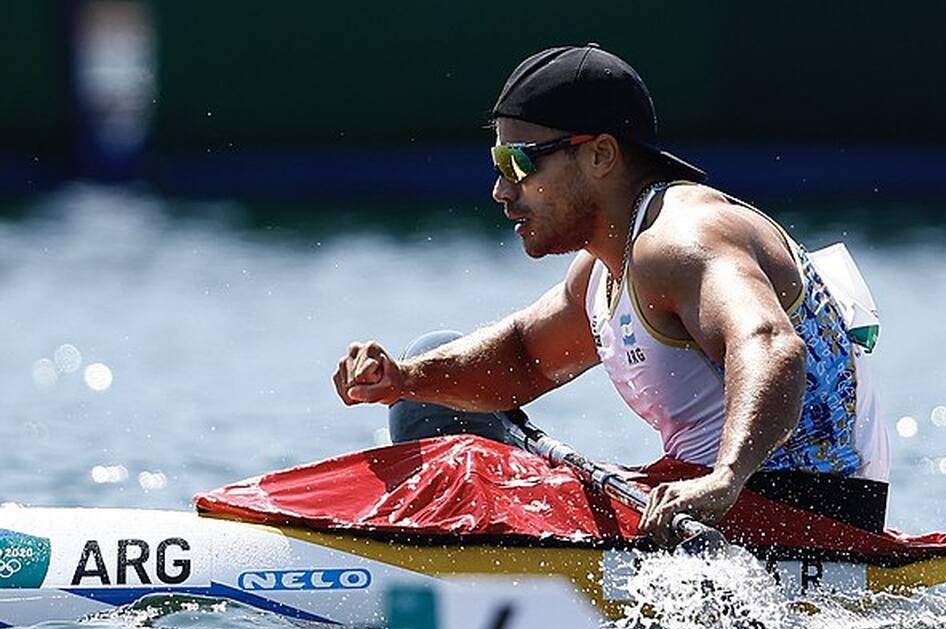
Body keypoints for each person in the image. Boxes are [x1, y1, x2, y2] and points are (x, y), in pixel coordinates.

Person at [333, 44, 889, 546]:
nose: (502, 190)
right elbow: (523, 358)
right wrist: (404, 379)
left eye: (520, 162)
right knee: (430, 389)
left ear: (600, 155)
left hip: (798, 515)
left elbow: (769, 344)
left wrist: (725, 478)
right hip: (708, 503)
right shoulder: (603, 270)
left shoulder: (680, 238)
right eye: (498, 164)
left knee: (481, 481)